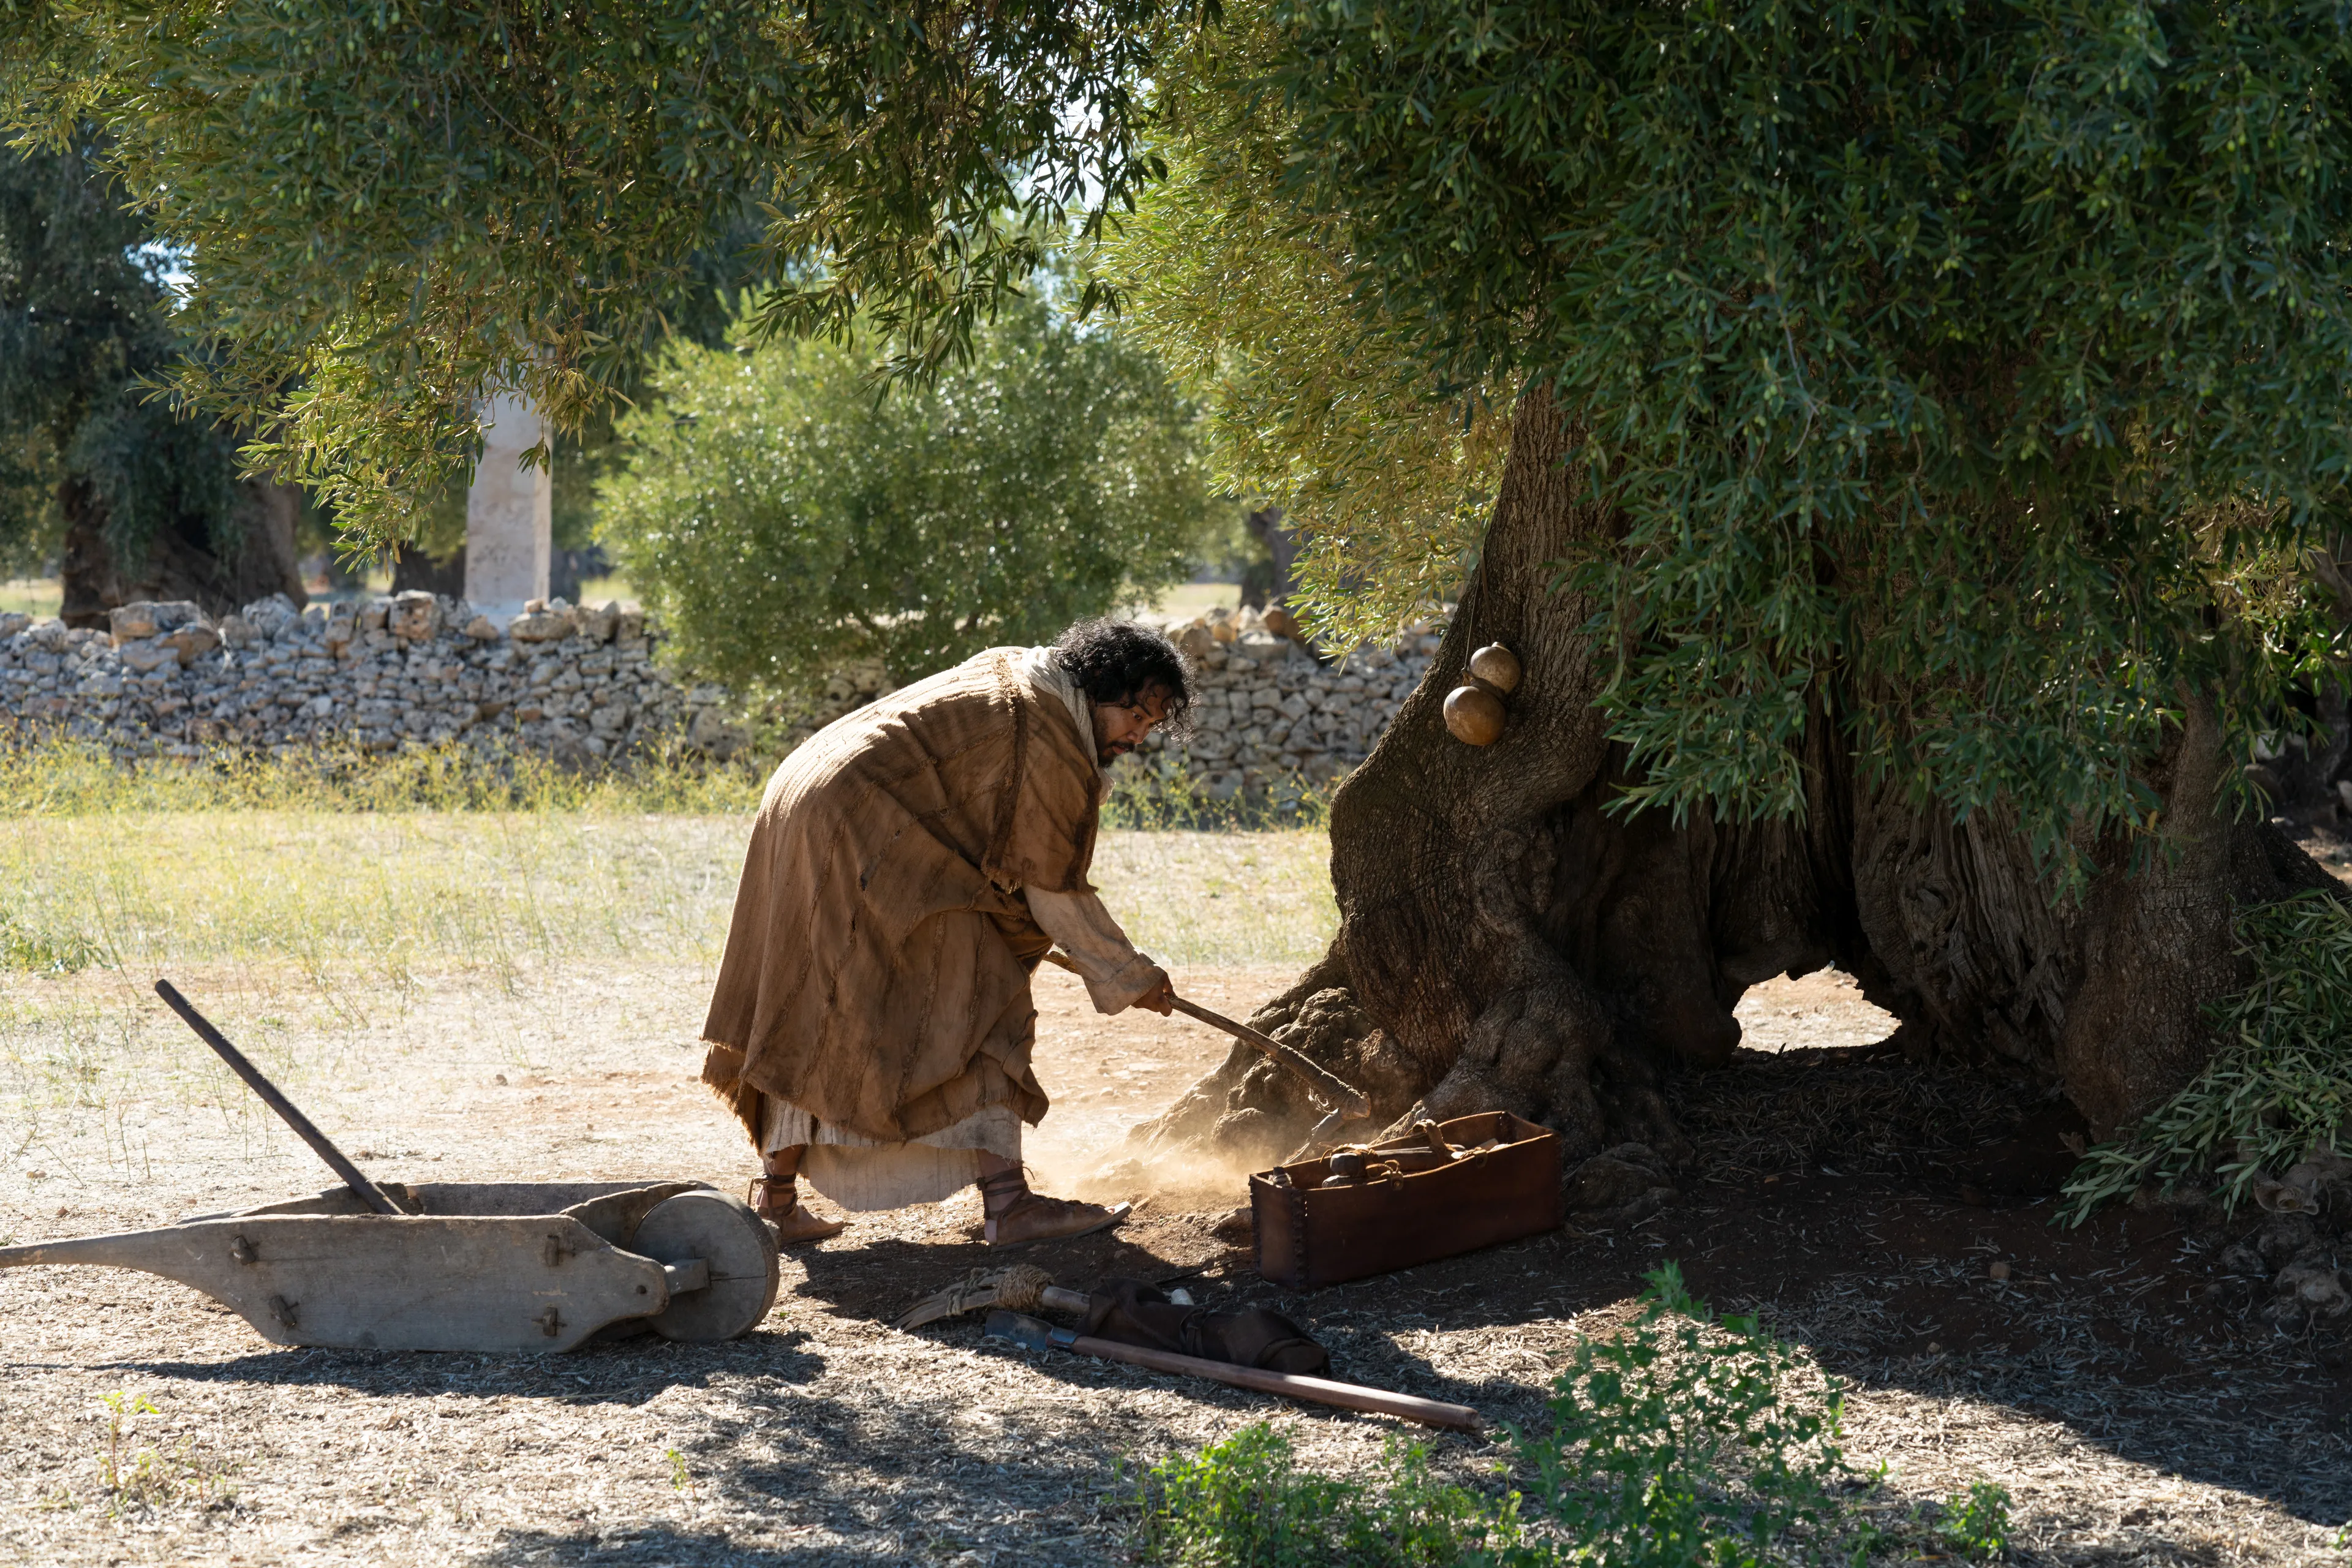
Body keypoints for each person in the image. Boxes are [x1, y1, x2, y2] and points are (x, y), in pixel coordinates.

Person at [698, 619, 1189, 1245]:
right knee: (983, 997)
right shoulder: (1050, 733)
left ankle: (775, 1200)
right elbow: (1053, 890)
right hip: (858, 825)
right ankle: (1009, 1206)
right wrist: (1130, 975)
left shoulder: (1026, 674)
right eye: (1135, 715)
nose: (1139, 736)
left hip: (806, 799)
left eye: (1151, 725)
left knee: (816, 1003)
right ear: (1100, 684)